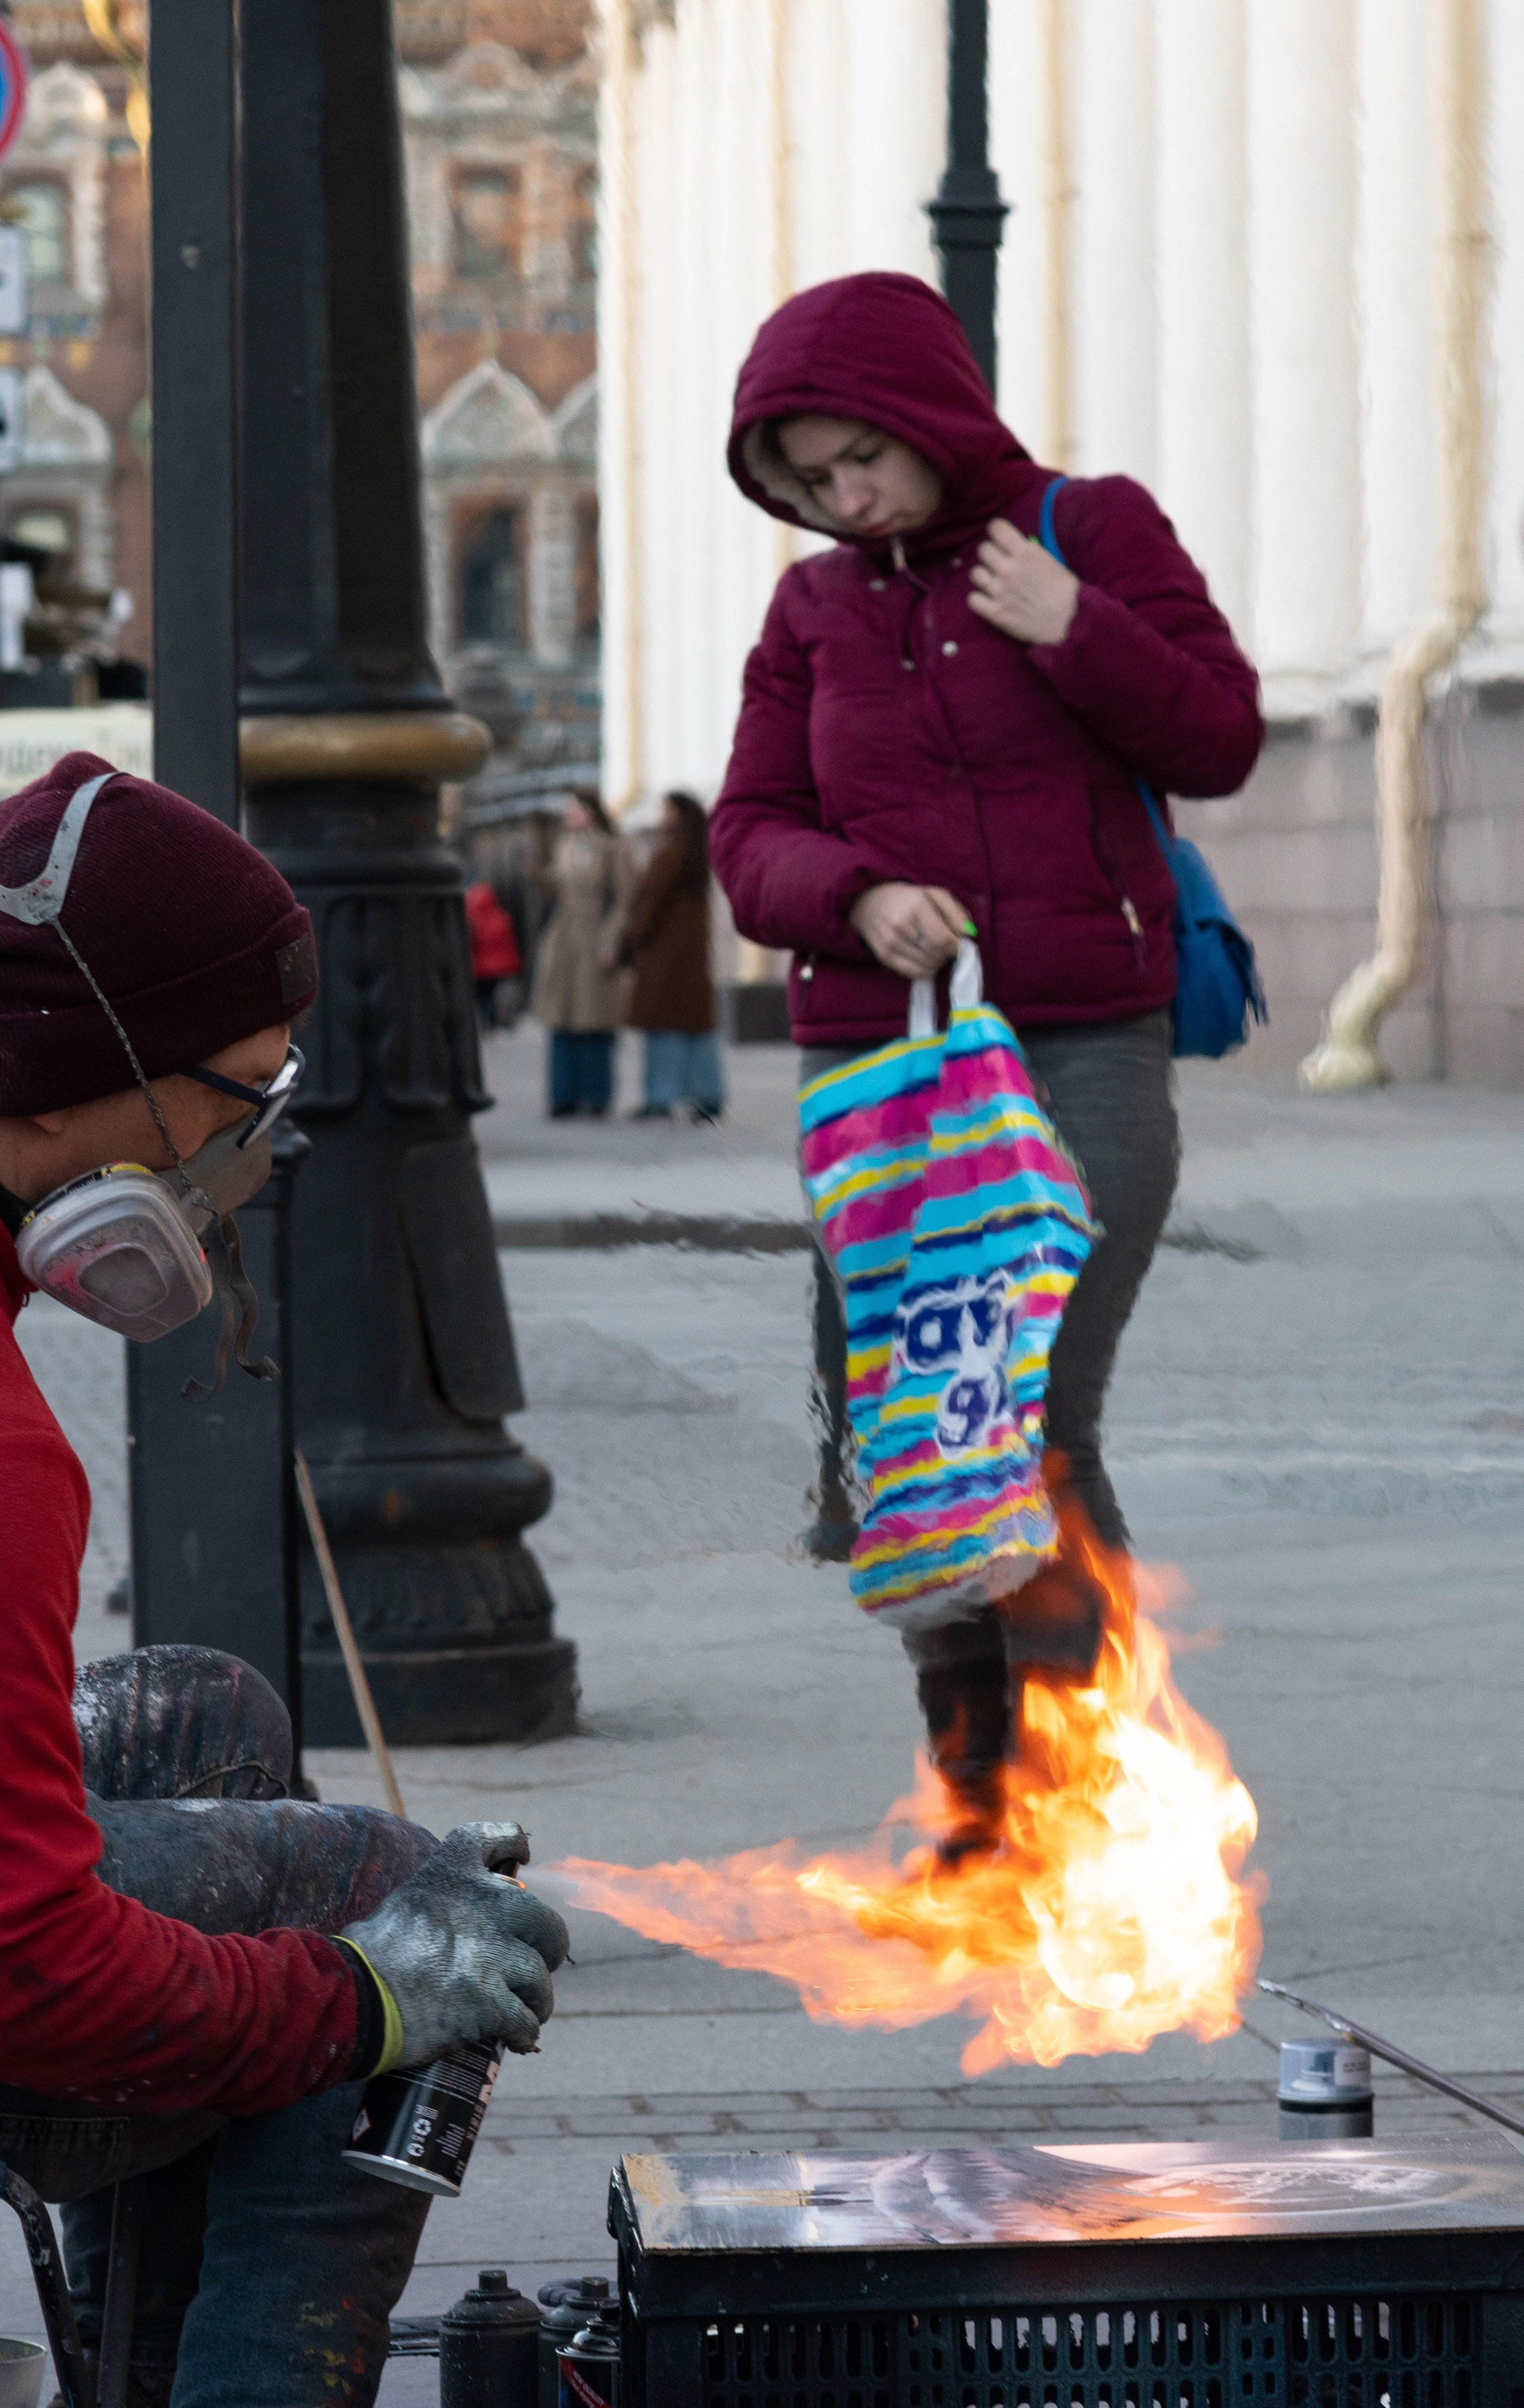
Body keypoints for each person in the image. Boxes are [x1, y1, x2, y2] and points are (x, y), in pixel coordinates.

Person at [0, 753, 570, 2408]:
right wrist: (366, 1994)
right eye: (244, 1098)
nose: (243, 1156)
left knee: (206, 1717)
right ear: (101, 1071)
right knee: (382, 1891)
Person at [710, 271, 1262, 1837]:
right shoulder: (809, 608)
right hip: (880, 1065)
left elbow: (1216, 735)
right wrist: (856, 893)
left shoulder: (1087, 531)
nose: (839, 498)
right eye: (805, 480)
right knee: (912, 1427)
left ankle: (1070, 1790)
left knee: (1024, 1411)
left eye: (856, 459)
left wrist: (1074, 628)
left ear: (924, 414)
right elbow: (747, 833)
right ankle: (971, 1787)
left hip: (1079, 1042)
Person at [622, 791, 724, 1123]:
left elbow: (651, 904)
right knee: (696, 1026)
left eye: (666, 811)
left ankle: (660, 1097)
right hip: (691, 958)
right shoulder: (697, 854)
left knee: (662, 1027)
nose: (661, 816)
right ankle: (708, 1094)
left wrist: (634, 939)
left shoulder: (670, 855)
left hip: (664, 956)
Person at [531, 788, 632, 1117]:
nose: (567, 815)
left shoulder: (611, 848)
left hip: (593, 936)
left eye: (573, 808)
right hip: (563, 939)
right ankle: (563, 1096)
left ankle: (597, 1096)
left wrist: (611, 940)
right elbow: (552, 888)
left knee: (594, 1018)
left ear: (590, 811)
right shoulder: (564, 844)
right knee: (561, 1018)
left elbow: (623, 899)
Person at [466, 875, 525, 1030]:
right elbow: (511, 943)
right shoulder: (503, 918)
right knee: (495, 997)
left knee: (483, 998)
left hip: (481, 969)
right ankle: (495, 1020)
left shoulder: (473, 922)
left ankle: (487, 1022)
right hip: (501, 968)